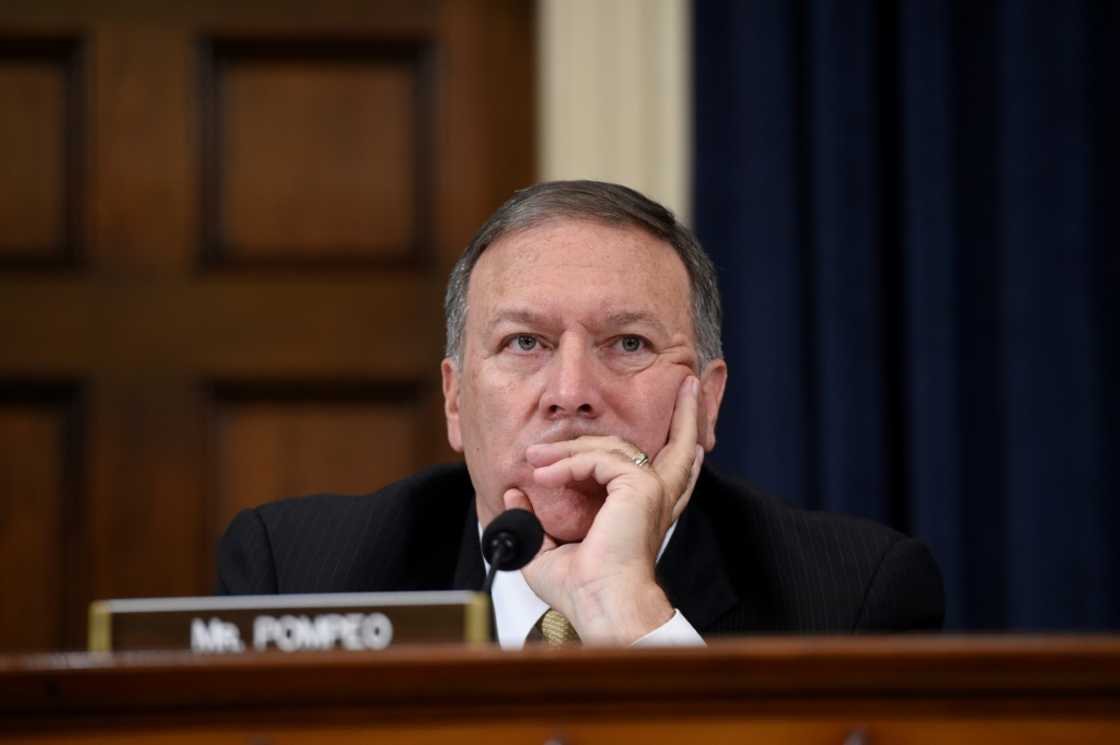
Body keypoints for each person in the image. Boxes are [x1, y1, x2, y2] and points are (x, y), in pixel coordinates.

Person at [218, 180, 944, 646]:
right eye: (524, 341)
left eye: (627, 342)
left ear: (708, 399)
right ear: (454, 400)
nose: (571, 389)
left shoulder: (852, 599)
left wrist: (628, 613)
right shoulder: (301, 574)